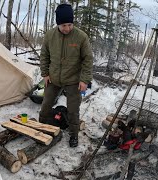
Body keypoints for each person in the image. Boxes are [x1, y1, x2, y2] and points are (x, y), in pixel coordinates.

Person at [39, 4, 93, 148]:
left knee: (73, 109)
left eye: (70, 24)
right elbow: (44, 55)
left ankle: (73, 135)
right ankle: (41, 129)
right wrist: (45, 73)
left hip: (73, 80)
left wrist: (84, 80)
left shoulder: (81, 37)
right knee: (46, 105)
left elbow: (88, 59)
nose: (67, 28)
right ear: (58, 24)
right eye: (64, 25)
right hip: (54, 78)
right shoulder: (50, 35)